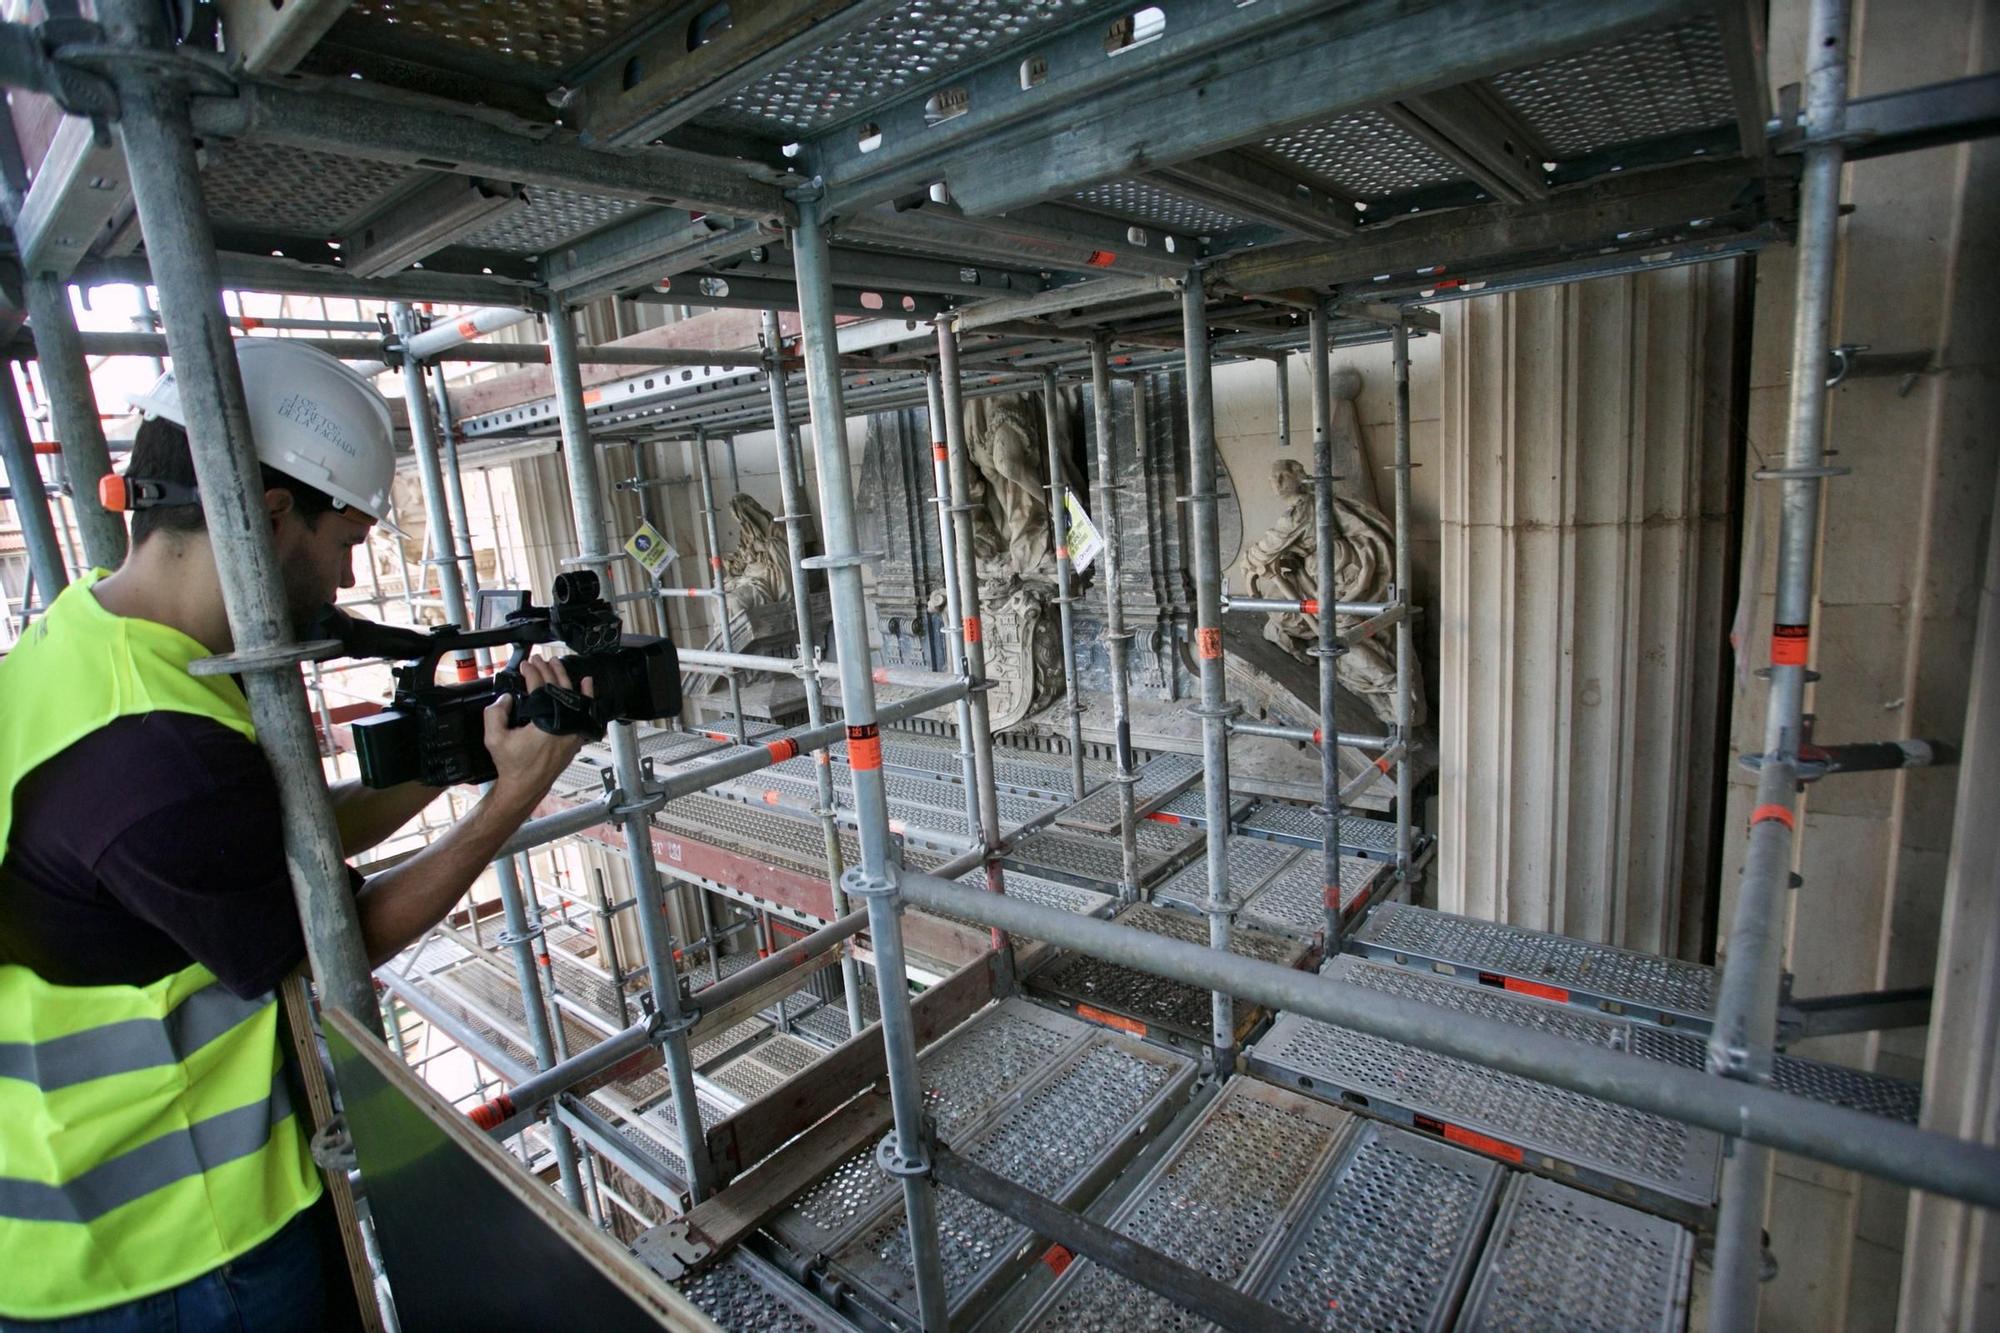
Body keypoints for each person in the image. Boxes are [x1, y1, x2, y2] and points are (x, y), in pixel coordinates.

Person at [0, 339, 587, 1330]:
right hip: (168, 1250)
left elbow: (265, 846)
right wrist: (507, 804)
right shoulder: (159, 756)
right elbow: (331, 937)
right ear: (270, 515)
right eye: (347, 540)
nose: (348, 574)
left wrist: (466, 757)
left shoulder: (88, 651)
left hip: (67, 1220)